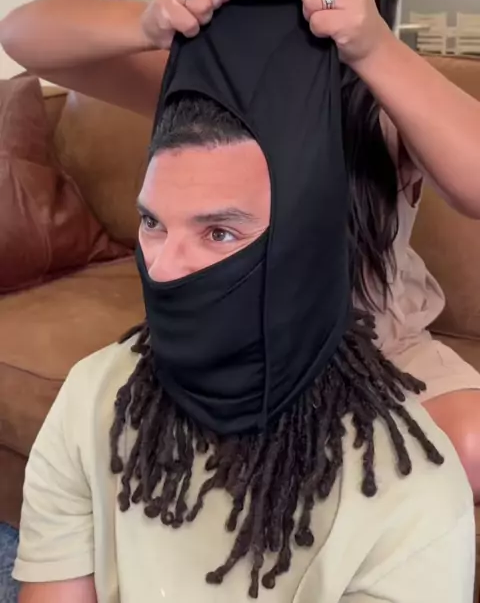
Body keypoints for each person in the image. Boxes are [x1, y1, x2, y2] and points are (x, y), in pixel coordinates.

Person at [2, 0, 480, 500]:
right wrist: (150, 19)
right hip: (239, 335)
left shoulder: (390, 93)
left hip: (377, 344)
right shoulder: (216, 69)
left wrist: (373, 47)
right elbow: (23, 34)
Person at [13, 74, 475, 603]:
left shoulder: (412, 496)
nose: (162, 268)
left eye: (219, 232)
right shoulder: (91, 396)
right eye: (152, 222)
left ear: (306, 249)